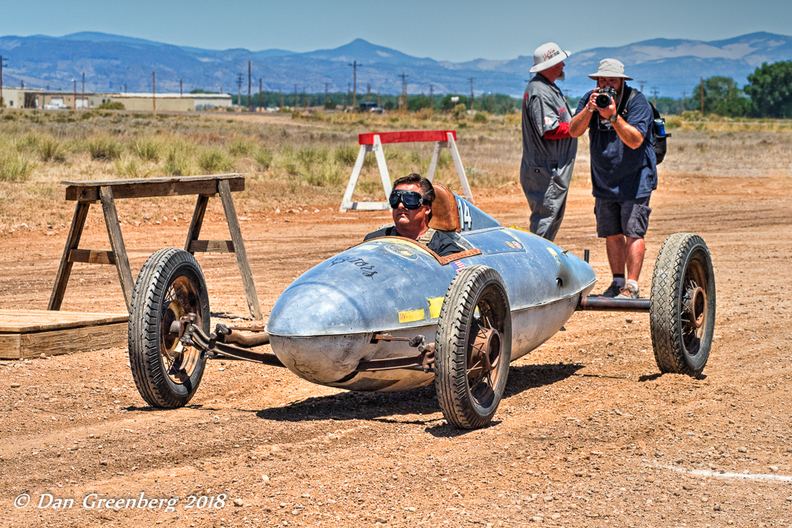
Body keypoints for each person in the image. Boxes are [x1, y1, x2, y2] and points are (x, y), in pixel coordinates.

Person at [569, 58, 657, 299]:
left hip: (636, 179)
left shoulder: (636, 102)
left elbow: (636, 140)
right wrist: (589, 109)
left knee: (634, 232)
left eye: (612, 80)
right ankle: (617, 282)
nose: (606, 84)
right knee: (612, 233)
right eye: (602, 80)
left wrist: (613, 116)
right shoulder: (592, 99)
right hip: (604, 179)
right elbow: (573, 131)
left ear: (621, 82)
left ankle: (632, 285)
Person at [520, 42, 578, 242]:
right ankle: (537, 268)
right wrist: (577, 127)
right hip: (546, 169)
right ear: (551, 64)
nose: (563, 66)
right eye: (560, 61)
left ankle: (541, 266)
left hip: (547, 168)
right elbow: (550, 129)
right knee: (545, 221)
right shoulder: (541, 91)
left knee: (550, 219)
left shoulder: (546, 88)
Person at [364, 174, 464, 257]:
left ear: (427, 209)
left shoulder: (443, 248)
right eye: (395, 199)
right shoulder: (374, 241)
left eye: (410, 200)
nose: (400, 205)